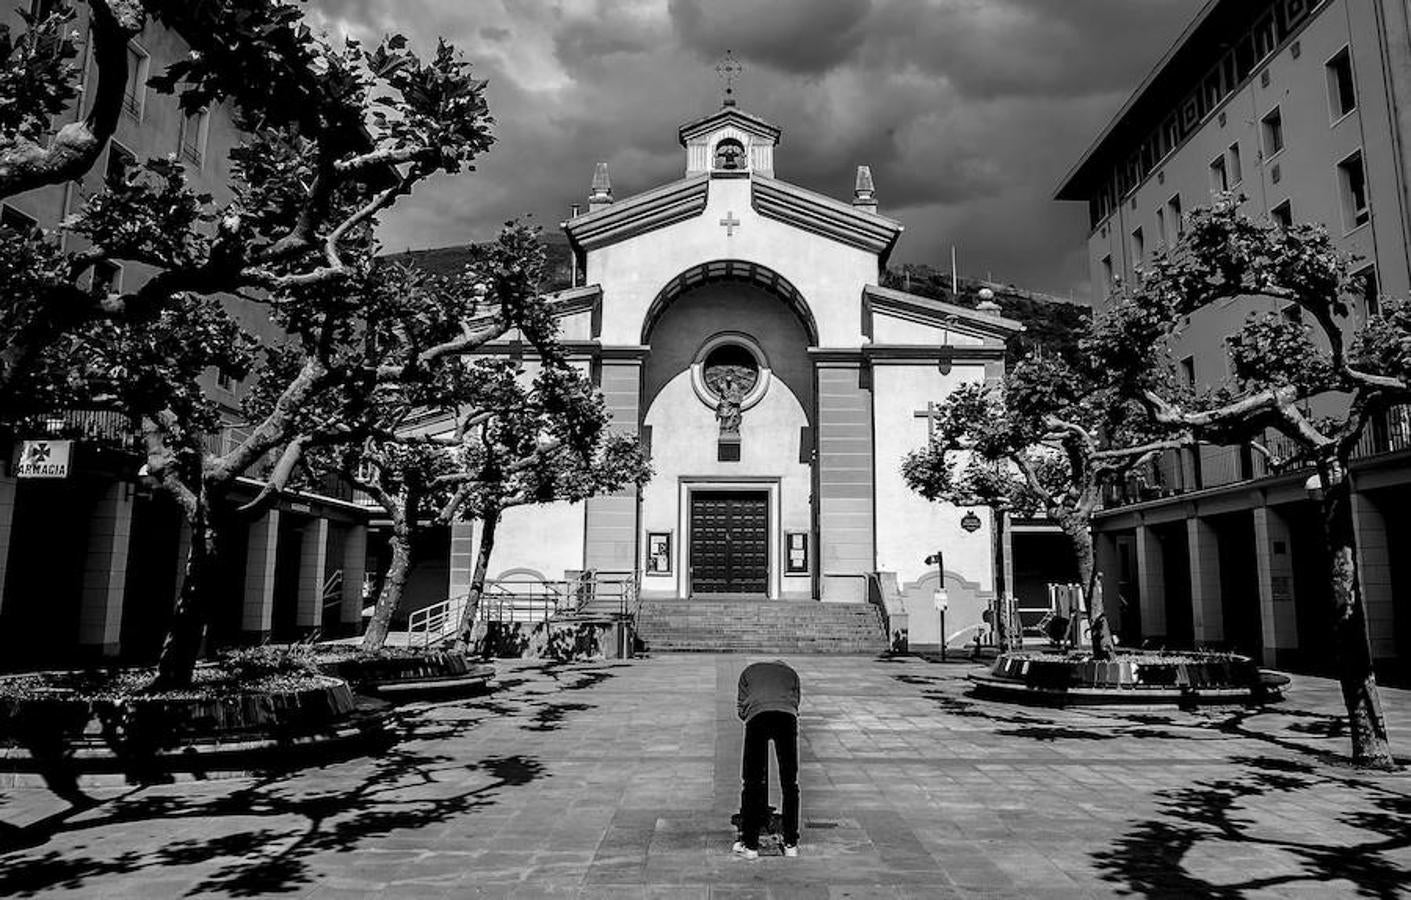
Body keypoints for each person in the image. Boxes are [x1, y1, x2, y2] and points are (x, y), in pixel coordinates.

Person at [733, 659, 801, 860]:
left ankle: (750, 845)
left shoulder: (748, 672)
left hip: (757, 716)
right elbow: (796, 700)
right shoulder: (791, 672)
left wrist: (751, 715)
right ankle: (790, 844)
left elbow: (741, 706)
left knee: (751, 781)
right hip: (786, 717)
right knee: (790, 783)